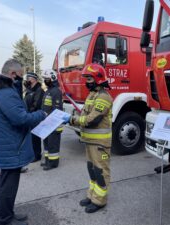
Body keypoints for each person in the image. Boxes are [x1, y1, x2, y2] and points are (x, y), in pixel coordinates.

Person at [0, 59, 46, 225]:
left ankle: (8, 214)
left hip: (8, 144)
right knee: (8, 186)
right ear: (12, 74)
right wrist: (41, 115)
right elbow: (20, 118)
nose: (21, 80)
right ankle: (5, 219)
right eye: (20, 76)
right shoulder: (5, 92)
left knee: (8, 184)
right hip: (11, 145)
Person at [65, 63, 113, 213]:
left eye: (89, 78)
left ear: (98, 79)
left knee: (100, 171)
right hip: (90, 141)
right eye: (86, 78)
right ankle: (92, 196)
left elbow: (92, 119)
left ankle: (100, 201)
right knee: (92, 170)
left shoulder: (103, 96)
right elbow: (85, 115)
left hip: (100, 143)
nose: (87, 82)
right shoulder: (93, 95)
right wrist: (76, 117)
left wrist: (72, 120)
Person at [41, 69, 63, 170]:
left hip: (53, 123)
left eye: (46, 79)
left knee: (53, 144)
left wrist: (51, 122)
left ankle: (53, 163)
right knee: (46, 143)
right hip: (46, 122)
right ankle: (47, 160)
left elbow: (57, 109)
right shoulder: (48, 91)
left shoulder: (56, 91)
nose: (45, 81)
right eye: (44, 79)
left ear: (52, 78)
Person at [24, 72, 44, 162]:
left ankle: (37, 155)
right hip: (29, 115)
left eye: (28, 78)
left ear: (33, 79)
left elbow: (37, 104)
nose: (27, 80)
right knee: (31, 137)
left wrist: (30, 113)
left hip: (34, 115)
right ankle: (32, 154)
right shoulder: (29, 89)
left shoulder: (39, 90)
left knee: (35, 137)